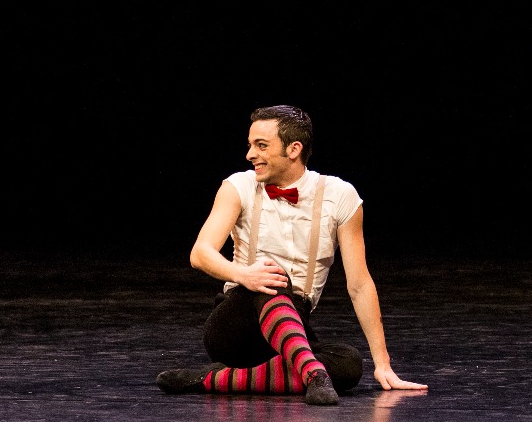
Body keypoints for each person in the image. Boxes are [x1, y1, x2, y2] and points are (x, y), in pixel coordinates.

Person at [156, 104, 426, 405]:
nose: (250, 155)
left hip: (291, 326)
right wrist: (243, 274)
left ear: (294, 149)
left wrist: (383, 364)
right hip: (237, 322)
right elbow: (200, 253)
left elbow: (360, 284)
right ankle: (313, 373)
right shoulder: (238, 186)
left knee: (349, 364)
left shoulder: (340, 196)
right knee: (272, 275)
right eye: (250, 145)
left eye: (261, 146)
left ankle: (216, 379)